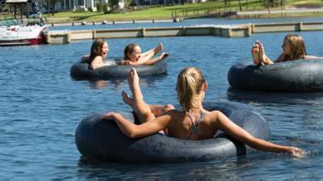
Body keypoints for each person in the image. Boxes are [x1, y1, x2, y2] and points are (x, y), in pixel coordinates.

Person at [102, 67, 304, 157]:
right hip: (204, 159)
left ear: (178, 91)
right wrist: (286, 149)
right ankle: (137, 98)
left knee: (157, 111)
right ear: (205, 86)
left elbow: (132, 133)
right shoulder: (215, 118)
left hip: (170, 139)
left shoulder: (171, 119)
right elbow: (251, 140)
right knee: (165, 108)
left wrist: (116, 116)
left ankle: (136, 92)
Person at [251, 34, 322, 66]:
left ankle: (263, 57)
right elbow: (273, 65)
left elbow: (319, 59)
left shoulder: (304, 58)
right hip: (278, 71)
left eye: (284, 44)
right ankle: (259, 60)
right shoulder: (283, 56)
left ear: (293, 46)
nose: (282, 46)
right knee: (266, 65)